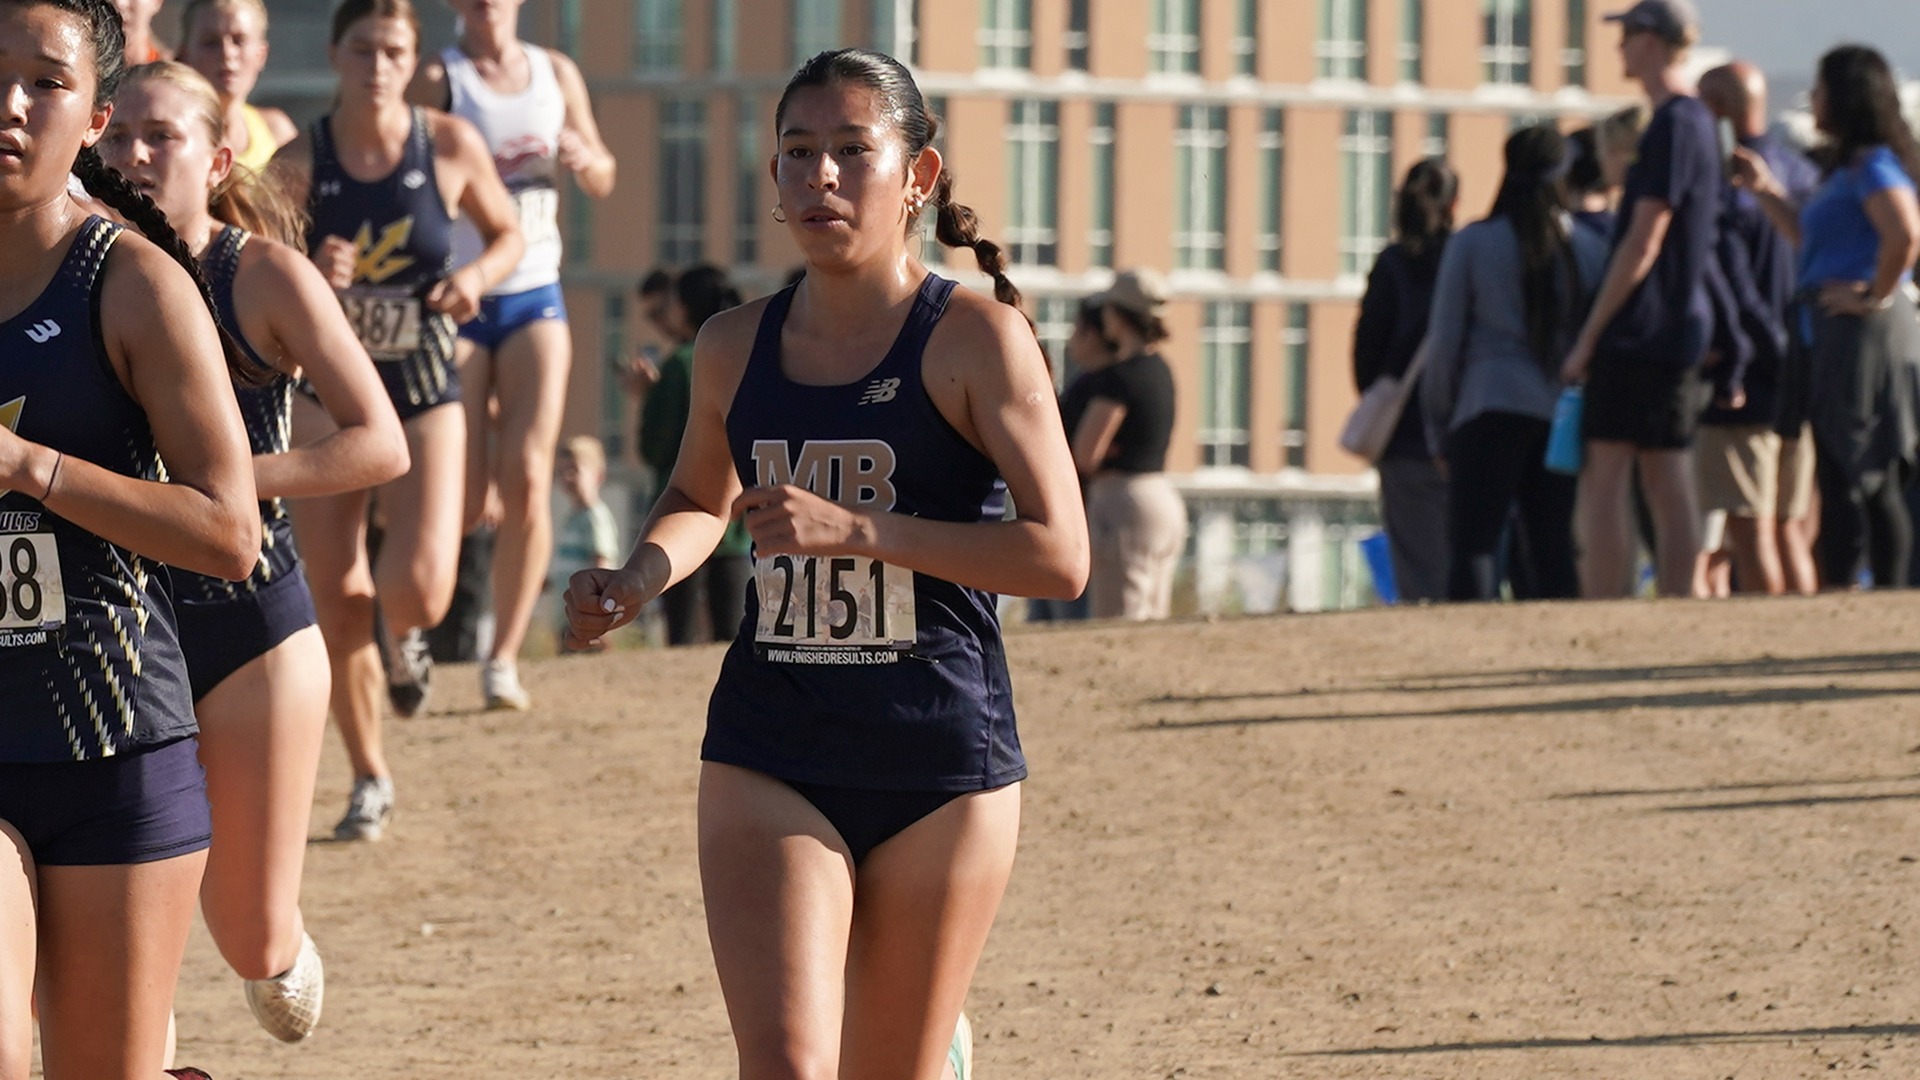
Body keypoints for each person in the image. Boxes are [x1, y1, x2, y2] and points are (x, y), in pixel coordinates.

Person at [565, 48, 1086, 1080]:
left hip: (940, 761)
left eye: (853, 151)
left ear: (919, 178)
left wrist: (862, 532)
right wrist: (635, 579)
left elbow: (1060, 556)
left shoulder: (977, 340)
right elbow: (697, 500)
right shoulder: (731, 346)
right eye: (798, 155)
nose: (821, 179)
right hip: (776, 745)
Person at [102, 60, 410, 1041]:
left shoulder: (263, 275)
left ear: (218, 157)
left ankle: (280, 946)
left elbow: (380, 440)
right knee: (108, 909)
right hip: (114, 621)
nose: (136, 157)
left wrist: (226, 488)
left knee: (247, 939)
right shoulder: (75, 270)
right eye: (118, 137)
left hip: (249, 626)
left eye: (163, 138)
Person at [0, 2, 264, 1077]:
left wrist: (32, 470)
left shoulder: (134, 286)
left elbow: (227, 533)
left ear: (96, 117)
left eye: (44, 82)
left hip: (112, 749)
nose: (8, 104)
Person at [266, 0, 522, 841]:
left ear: (414, 59)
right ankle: (370, 773)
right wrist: (309, 266)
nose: (379, 64)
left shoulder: (446, 144)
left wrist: (478, 277)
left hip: (424, 389)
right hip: (328, 400)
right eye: (364, 48)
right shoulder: (302, 159)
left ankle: (406, 636)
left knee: (418, 586)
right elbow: (248, 265)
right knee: (337, 598)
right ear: (338, 54)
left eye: (395, 50)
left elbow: (508, 233)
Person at [411, 0, 615, 708]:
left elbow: (605, 173)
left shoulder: (555, 72)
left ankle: (501, 657)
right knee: (461, 491)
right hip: (459, 298)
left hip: (536, 292)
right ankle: (413, 625)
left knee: (529, 475)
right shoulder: (441, 76)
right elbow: (400, 170)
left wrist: (588, 161)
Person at [1732, 45, 1920, 590]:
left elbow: (1905, 234)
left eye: (1820, 89)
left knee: (1865, 470)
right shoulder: (1847, 169)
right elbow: (1811, 242)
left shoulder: (1873, 165)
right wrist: (1766, 190)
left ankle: (1881, 591)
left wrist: (1877, 295)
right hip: (1830, 324)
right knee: (1837, 468)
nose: (1812, 99)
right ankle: (1850, 588)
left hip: (1862, 331)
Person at [1561, 0, 1718, 599]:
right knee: (1664, 468)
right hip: (1678, 326)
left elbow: (1643, 238)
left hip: (1642, 327)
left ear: (1651, 41)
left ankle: (1605, 602)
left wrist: (1591, 335)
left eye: (1626, 35)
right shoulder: (1697, 123)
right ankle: (1678, 599)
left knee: (1607, 474)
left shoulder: (1672, 126)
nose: (1619, 47)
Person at [1420, 126, 1609, 602]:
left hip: (1485, 406)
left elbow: (1444, 344)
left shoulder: (1473, 244)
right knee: (1552, 546)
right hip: (1558, 416)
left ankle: (1471, 648)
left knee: (1475, 545)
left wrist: (1438, 425)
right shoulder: (1588, 251)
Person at [1697, 60, 1822, 596]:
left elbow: (1732, 284)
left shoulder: (1729, 189)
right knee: (1791, 528)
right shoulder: (1801, 176)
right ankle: (1808, 636)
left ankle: (1768, 641)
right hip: (1803, 364)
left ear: (1719, 109)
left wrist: (1741, 356)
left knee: (1751, 531)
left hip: (1748, 375)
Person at [1354, 157, 1458, 603]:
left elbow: (1366, 352)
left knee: (1417, 563)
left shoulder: (1393, 264)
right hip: (1464, 426)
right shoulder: (1466, 254)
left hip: (1404, 434)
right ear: (1453, 203)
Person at [640, 265, 755, 645]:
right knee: (732, 631)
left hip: (684, 517)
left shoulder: (681, 364)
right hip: (738, 522)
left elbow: (654, 446)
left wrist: (649, 398)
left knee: (682, 633)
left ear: (687, 306)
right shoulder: (747, 352)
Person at [1072, 268, 1184, 620]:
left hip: (1123, 503)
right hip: (1162, 497)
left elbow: (1085, 455)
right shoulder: (1160, 370)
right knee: (1152, 614)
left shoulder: (1121, 378)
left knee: (1119, 617)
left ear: (1119, 315)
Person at [1030, 296, 1114, 622]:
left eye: (1076, 331)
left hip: (1081, 507)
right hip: (1069, 504)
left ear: (1092, 335)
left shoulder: (1100, 385)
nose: (1070, 341)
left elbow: (1083, 454)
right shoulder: (1088, 383)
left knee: (1070, 611)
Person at [175, 0, 294, 176]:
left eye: (239, 41)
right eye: (211, 42)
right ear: (185, 56)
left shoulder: (277, 133)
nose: (227, 53)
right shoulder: (169, 134)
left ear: (261, 55)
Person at [551, 435, 619, 650]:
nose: (568, 477)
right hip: (568, 615)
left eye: (575, 470)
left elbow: (602, 564)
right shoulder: (572, 517)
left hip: (585, 618)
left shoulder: (595, 517)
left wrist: (602, 614)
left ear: (598, 476)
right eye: (562, 471)